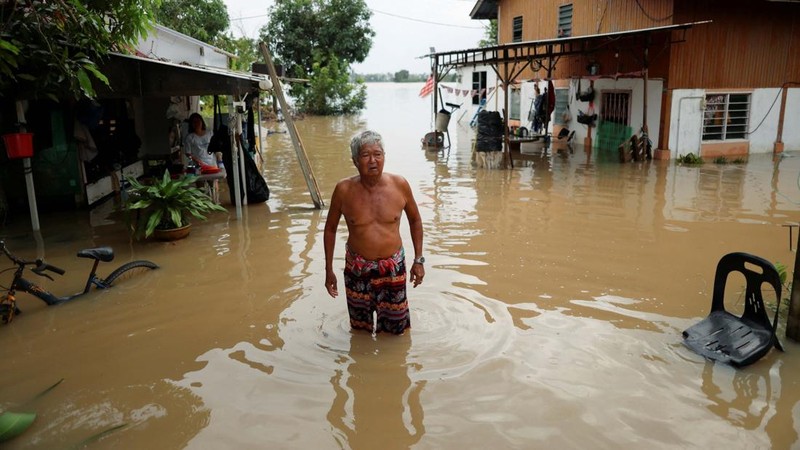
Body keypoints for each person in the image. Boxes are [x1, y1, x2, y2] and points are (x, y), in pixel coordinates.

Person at [324, 130, 425, 335]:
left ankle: (392, 365)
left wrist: (418, 260)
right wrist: (328, 269)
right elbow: (330, 229)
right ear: (354, 161)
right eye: (365, 155)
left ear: (384, 157)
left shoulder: (400, 185)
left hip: (393, 269)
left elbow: (415, 220)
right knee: (359, 330)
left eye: (378, 154)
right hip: (357, 269)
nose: (373, 161)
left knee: (396, 331)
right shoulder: (343, 190)